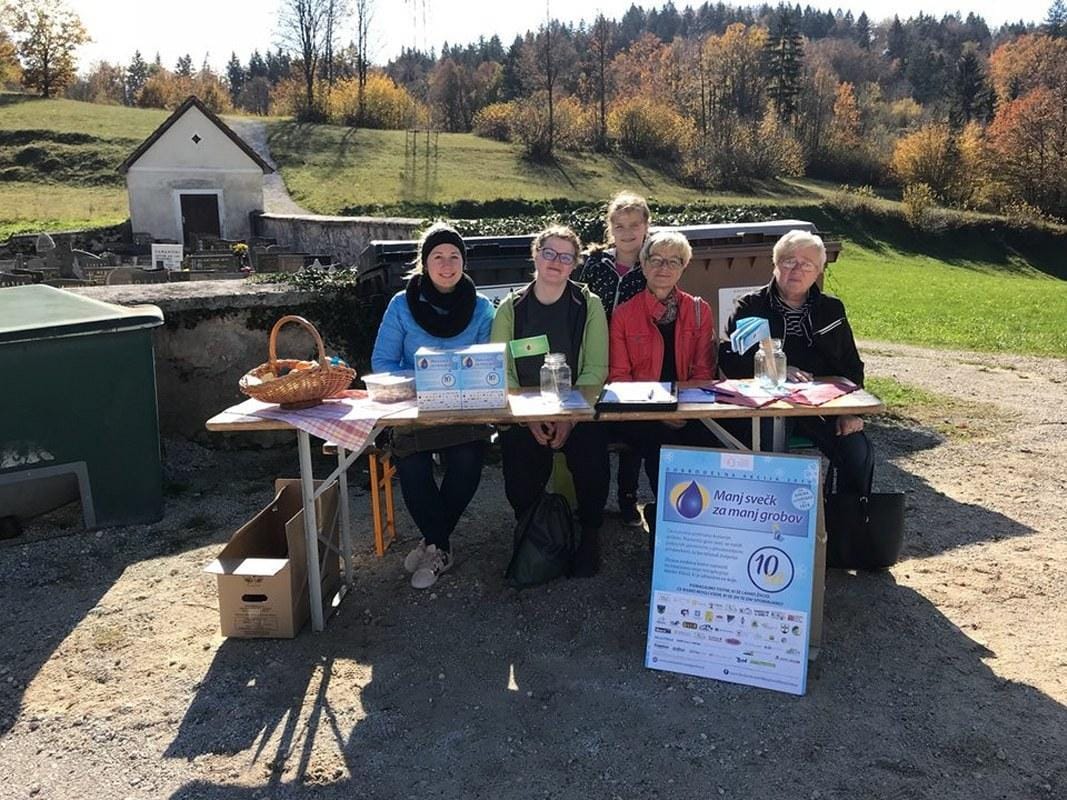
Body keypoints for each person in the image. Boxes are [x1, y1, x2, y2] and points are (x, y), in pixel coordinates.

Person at [371, 222, 495, 589]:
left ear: (464, 262)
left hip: (465, 410)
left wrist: (461, 381)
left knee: (468, 461)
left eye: (454, 256)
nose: (446, 264)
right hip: (415, 410)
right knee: (412, 467)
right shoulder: (400, 305)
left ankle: (432, 545)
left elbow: (489, 360)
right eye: (438, 256)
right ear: (424, 263)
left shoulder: (482, 308)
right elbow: (383, 363)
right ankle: (440, 546)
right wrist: (426, 380)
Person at [491, 225, 610, 577]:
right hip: (525, 413)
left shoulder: (588, 305)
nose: (556, 262)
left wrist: (569, 418)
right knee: (518, 458)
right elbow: (503, 371)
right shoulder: (511, 308)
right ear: (535, 255)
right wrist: (528, 418)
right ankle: (531, 529)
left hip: (575, 411)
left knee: (592, 457)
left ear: (574, 264)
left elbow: (594, 370)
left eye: (565, 256)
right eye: (549, 253)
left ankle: (590, 533)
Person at [719, 229, 873, 494]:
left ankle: (847, 526)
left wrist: (851, 411)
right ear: (776, 264)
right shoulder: (750, 306)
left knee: (858, 451)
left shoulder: (831, 310)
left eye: (807, 264)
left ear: (819, 271)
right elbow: (729, 360)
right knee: (768, 451)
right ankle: (768, 517)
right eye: (789, 261)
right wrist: (778, 368)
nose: (797, 270)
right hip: (768, 408)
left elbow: (851, 365)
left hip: (822, 408)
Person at [609, 230, 719, 541]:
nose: (663, 268)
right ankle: (671, 532)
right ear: (642, 265)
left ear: (684, 267)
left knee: (715, 446)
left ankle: (708, 529)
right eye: (656, 260)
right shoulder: (624, 315)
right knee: (662, 452)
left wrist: (680, 409)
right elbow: (620, 379)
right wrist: (659, 411)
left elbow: (703, 372)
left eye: (673, 261)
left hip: (688, 406)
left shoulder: (700, 310)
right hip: (641, 413)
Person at [574, 191, 651, 527]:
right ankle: (591, 500)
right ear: (610, 228)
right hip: (596, 356)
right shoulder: (595, 264)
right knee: (596, 429)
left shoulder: (653, 265)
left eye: (634, 225)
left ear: (646, 226)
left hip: (636, 360)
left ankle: (628, 498)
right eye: (619, 225)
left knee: (633, 429)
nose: (627, 232)